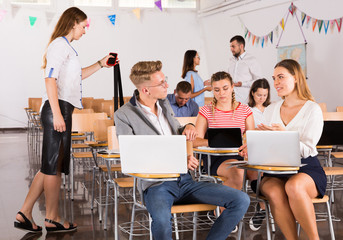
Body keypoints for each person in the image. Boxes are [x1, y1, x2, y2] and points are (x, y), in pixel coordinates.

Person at [114, 61, 250, 240]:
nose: (167, 85)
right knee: (162, 221)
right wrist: (176, 159)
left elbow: (178, 130)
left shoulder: (164, 104)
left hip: (185, 181)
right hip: (156, 186)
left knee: (241, 200)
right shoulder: (124, 114)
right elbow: (133, 157)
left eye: (165, 80)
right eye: (162, 83)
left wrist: (189, 126)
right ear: (146, 90)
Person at [14, 7, 116, 233]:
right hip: (56, 109)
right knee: (53, 167)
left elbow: (75, 77)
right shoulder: (59, 46)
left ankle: (25, 212)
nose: (84, 31)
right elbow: (50, 79)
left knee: (49, 165)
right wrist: (58, 114)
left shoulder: (66, 48)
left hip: (60, 108)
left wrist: (101, 63)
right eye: (83, 26)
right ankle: (52, 218)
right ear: (73, 23)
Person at [240, 59, 326, 240]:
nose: (276, 83)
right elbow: (267, 141)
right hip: (275, 168)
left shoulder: (313, 109)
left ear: (296, 78)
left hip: (305, 167)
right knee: (272, 190)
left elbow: (308, 149)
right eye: (274, 78)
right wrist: (252, 145)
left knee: (294, 187)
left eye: (281, 77)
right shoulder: (271, 109)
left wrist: (285, 134)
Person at [194, 71, 255, 191]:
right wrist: (216, 141)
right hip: (216, 158)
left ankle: (262, 209)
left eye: (225, 88)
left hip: (241, 155)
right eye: (216, 90)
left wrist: (246, 145)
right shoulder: (205, 111)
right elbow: (195, 141)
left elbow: (251, 137)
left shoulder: (245, 110)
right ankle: (228, 209)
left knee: (260, 173)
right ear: (212, 90)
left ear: (232, 87)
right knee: (238, 173)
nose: (221, 93)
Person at [228, 35, 262, 104]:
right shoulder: (231, 60)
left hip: (245, 101)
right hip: (231, 100)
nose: (231, 49)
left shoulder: (252, 60)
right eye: (230, 46)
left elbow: (259, 81)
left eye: (233, 46)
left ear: (241, 46)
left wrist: (242, 84)